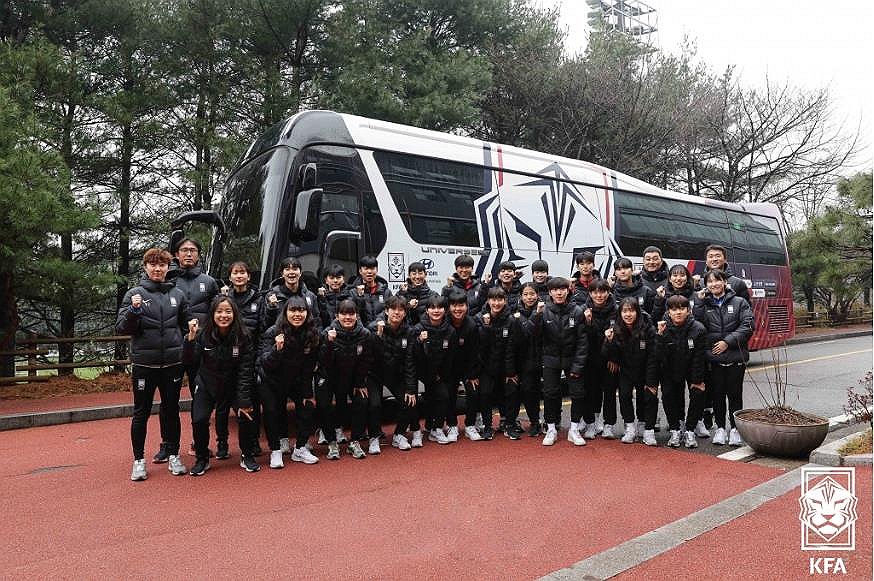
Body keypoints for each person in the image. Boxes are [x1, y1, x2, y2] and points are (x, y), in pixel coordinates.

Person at [117, 248, 190, 481]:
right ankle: (138, 461)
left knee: (171, 411)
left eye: (162, 265)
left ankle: (173, 455)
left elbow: (185, 325)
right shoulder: (134, 294)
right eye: (153, 265)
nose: (158, 269)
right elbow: (122, 328)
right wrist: (134, 310)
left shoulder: (177, 295)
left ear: (168, 268)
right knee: (141, 412)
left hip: (172, 364)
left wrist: (191, 332)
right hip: (144, 365)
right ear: (145, 267)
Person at [183, 296, 259, 475]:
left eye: (228, 311)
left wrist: (244, 400)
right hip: (207, 384)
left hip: (233, 385)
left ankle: (247, 455)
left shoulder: (244, 336)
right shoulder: (203, 334)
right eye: (219, 311)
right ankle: (202, 458)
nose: (223, 315)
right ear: (212, 314)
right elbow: (189, 361)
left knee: (246, 414)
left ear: (234, 314)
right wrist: (190, 339)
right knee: (199, 419)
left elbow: (245, 369)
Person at [167, 238, 219, 458]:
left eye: (193, 250)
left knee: (201, 398)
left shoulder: (209, 282)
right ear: (176, 255)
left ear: (199, 254)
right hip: (174, 348)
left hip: (201, 350)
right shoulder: (168, 281)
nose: (188, 254)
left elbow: (219, 313)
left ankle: (200, 443)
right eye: (184, 250)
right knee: (169, 400)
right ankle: (168, 446)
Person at [257, 296, 321, 468]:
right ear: (285, 313)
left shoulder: (311, 334)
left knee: (307, 406)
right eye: (293, 310)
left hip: (295, 380)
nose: (297, 314)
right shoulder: (273, 332)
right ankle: (275, 450)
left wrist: (307, 392)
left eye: (301, 310)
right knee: (271, 411)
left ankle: (300, 449)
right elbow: (265, 363)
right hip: (271, 380)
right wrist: (277, 350)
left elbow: (309, 367)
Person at [693, 270, 753, 446]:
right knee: (717, 394)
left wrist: (727, 342)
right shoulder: (705, 304)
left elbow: (748, 325)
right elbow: (697, 326)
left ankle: (735, 429)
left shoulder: (739, 302)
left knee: (735, 394)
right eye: (709, 282)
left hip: (735, 356)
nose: (714, 284)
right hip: (715, 358)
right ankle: (720, 428)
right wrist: (698, 301)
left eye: (717, 281)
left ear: (725, 282)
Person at [533, 277, 588, 446]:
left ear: (567, 290)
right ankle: (551, 428)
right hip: (550, 359)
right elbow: (536, 337)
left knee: (577, 394)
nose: (559, 292)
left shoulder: (577, 311)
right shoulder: (544, 311)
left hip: (572, 359)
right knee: (550, 394)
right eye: (555, 290)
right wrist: (537, 316)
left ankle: (574, 429)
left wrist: (578, 365)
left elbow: (582, 342)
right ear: (549, 292)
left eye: (562, 289)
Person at [318, 299, 374, 460]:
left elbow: (365, 360)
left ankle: (354, 441)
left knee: (362, 400)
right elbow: (323, 362)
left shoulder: (364, 334)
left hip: (351, 377)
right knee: (324, 405)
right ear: (337, 315)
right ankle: (331, 442)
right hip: (328, 376)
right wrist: (329, 343)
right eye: (343, 314)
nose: (347, 317)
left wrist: (359, 382)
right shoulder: (328, 333)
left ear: (357, 315)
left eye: (351, 314)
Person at [603, 297, 659, 445]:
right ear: (620, 313)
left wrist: (651, 381)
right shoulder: (616, 329)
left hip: (645, 369)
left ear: (638, 312)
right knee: (624, 395)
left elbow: (653, 356)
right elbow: (608, 354)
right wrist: (608, 341)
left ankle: (648, 430)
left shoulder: (648, 328)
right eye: (625, 311)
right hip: (626, 370)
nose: (628, 314)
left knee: (648, 396)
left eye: (632, 311)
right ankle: (630, 428)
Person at [220, 261, 261, 458]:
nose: (239, 276)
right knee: (227, 402)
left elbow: (263, 326)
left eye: (242, 272)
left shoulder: (258, 298)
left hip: (250, 355)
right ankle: (223, 444)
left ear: (248, 276)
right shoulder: (224, 298)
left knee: (252, 400)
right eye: (235, 273)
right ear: (230, 277)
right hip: (228, 356)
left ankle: (253, 442)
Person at [656, 295, 708, 448]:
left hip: (691, 366)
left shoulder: (698, 328)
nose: (678, 312)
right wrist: (659, 336)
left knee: (698, 392)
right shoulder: (663, 328)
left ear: (688, 310)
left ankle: (690, 430)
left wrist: (697, 381)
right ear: (668, 312)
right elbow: (659, 356)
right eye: (674, 309)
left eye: (681, 309)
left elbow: (699, 357)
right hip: (670, 368)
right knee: (668, 394)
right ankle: (675, 429)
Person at [367, 295, 417, 452]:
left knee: (409, 400)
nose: (397, 312)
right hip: (374, 374)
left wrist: (410, 388)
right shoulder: (374, 328)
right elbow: (369, 356)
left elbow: (409, 361)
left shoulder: (409, 332)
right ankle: (374, 437)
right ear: (386, 311)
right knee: (374, 404)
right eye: (393, 309)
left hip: (396, 374)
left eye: (401, 309)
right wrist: (378, 336)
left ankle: (399, 435)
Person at [475, 287, 522, 440]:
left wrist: (510, 373)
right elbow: (480, 347)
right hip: (486, 366)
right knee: (485, 394)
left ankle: (509, 424)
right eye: (493, 300)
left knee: (511, 392)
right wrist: (487, 327)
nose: (496, 303)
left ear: (505, 301)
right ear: (488, 301)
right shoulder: (479, 318)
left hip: (505, 365)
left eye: (499, 299)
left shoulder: (511, 320)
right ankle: (487, 426)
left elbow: (511, 347)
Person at [409, 295, 456, 446]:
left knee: (442, 396)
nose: (436, 311)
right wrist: (419, 342)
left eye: (439, 307)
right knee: (413, 398)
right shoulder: (418, 329)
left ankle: (435, 428)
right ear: (427, 310)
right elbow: (412, 355)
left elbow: (449, 358)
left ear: (445, 310)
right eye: (432, 308)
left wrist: (439, 374)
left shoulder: (450, 330)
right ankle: (416, 431)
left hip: (436, 372)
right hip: (418, 370)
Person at [581, 279, 618, 439]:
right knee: (591, 392)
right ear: (590, 293)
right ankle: (592, 423)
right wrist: (588, 323)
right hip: (590, 359)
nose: (599, 295)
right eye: (595, 292)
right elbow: (581, 337)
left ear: (608, 292)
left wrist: (615, 358)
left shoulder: (616, 309)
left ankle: (608, 424)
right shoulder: (584, 310)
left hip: (609, 359)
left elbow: (621, 337)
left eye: (602, 291)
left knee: (609, 392)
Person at [445, 291, 482, 442]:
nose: (457, 309)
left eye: (461, 305)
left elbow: (475, 352)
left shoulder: (472, 325)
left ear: (466, 307)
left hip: (467, 367)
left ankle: (470, 425)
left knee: (474, 392)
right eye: (454, 305)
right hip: (449, 368)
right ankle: (452, 425)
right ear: (448, 307)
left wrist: (472, 375)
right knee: (448, 395)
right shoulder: (443, 323)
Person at [260, 256, 321, 332]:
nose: (291, 272)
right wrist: (271, 308)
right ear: (282, 273)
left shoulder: (310, 296)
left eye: (295, 269)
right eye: (287, 269)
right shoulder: (271, 296)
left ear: (300, 272)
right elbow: (264, 325)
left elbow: (317, 323)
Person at [516, 282, 544, 437]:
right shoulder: (516, 314)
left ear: (537, 295)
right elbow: (526, 332)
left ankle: (553, 421)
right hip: (525, 360)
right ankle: (534, 421)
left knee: (549, 391)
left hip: (544, 357)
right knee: (528, 391)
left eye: (532, 294)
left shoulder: (546, 310)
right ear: (521, 296)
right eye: (525, 294)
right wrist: (536, 315)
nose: (529, 297)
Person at [348, 255, 392, 326]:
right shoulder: (353, 292)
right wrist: (360, 297)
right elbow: (352, 314)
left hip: (381, 330)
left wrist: (375, 324)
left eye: (372, 268)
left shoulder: (386, 291)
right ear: (360, 271)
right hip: (362, 333)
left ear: (377, 270)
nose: (369, 272)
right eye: (366, 269)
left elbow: (390, 311)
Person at [397, 262, 438, 326]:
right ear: (409, 275)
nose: (417, 277)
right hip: (405, 333)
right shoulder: (401, 293)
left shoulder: (432, 295)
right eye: (414, 274)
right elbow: (395, 313)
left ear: (425, 275)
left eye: (420, 273)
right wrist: (408, 305)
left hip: (426, 332)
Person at [317, 264, 353, 328]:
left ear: (343, 279)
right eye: (331, 278)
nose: (335, 280)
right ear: (326, 280)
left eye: (338, 277)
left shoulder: (350, 295)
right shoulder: (320, 297)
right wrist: (321, 299)